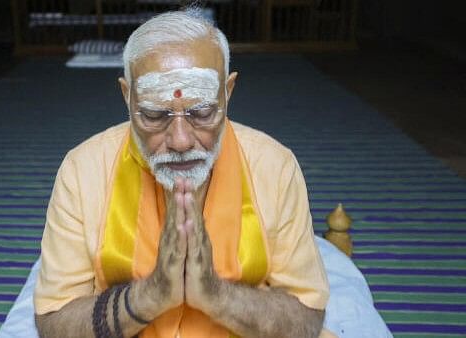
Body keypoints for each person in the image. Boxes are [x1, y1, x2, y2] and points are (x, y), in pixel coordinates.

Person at [34, 9, 335, 338]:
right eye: (153, 114)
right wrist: (151, 294)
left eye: (202, 112)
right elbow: (53, 319)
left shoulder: (274, 166)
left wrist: (216, 295)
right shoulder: (83, 169)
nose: (180, 141)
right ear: (127, 95)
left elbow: (307, 317)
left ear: (227, 92)